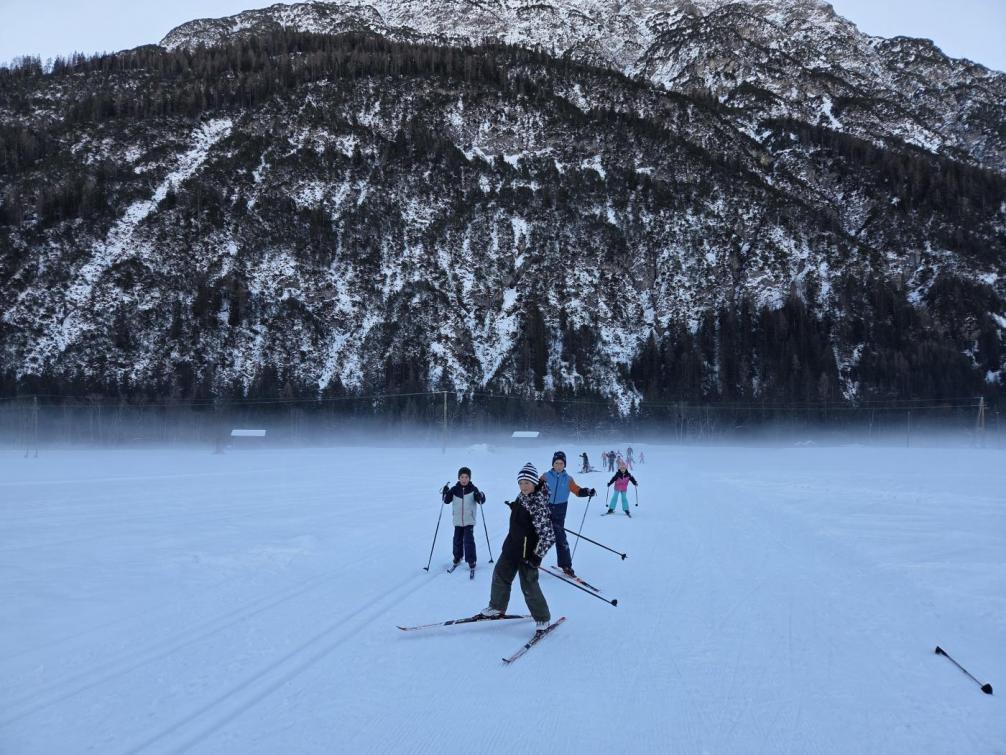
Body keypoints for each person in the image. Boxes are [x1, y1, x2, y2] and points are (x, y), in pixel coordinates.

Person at [479, 462, 555, 632]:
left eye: (527, 483)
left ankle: (542, 618)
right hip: (512, 546)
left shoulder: (539, 504)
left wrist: (537, 556)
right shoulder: (522, 496)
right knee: (500, 574)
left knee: (529, 585)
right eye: (520, 483)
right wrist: (515, 507)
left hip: (528, 553)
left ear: (534, 482)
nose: (523, 486)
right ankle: (497, 607)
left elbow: (548, 536)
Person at [540, 451, 594, 577]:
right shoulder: (545, 477)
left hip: (560, 511)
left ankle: (566, 565)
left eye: (561, 463)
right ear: (553, 464)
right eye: (556, 463)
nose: (559, 466)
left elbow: (577, 490)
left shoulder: (568, 479)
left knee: (561, 538)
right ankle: (534, 562)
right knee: (541, 537)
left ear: (565, 465)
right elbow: (534, 489)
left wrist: (587, 491)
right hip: (545, 509)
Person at [441, 466, 485, 570]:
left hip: (469, 520)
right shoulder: (454, 489)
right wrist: (445, 493)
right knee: (457, 540)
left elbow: (481, 501)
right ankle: (458, 556)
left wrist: (481, 496)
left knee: (469, 540)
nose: (464, 479)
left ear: (469, 478)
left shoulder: (473, 489)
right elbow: (446, 501)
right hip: (457, 520)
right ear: (458, 478)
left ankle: (471, 560)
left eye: (466, 477)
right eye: (462, 477)